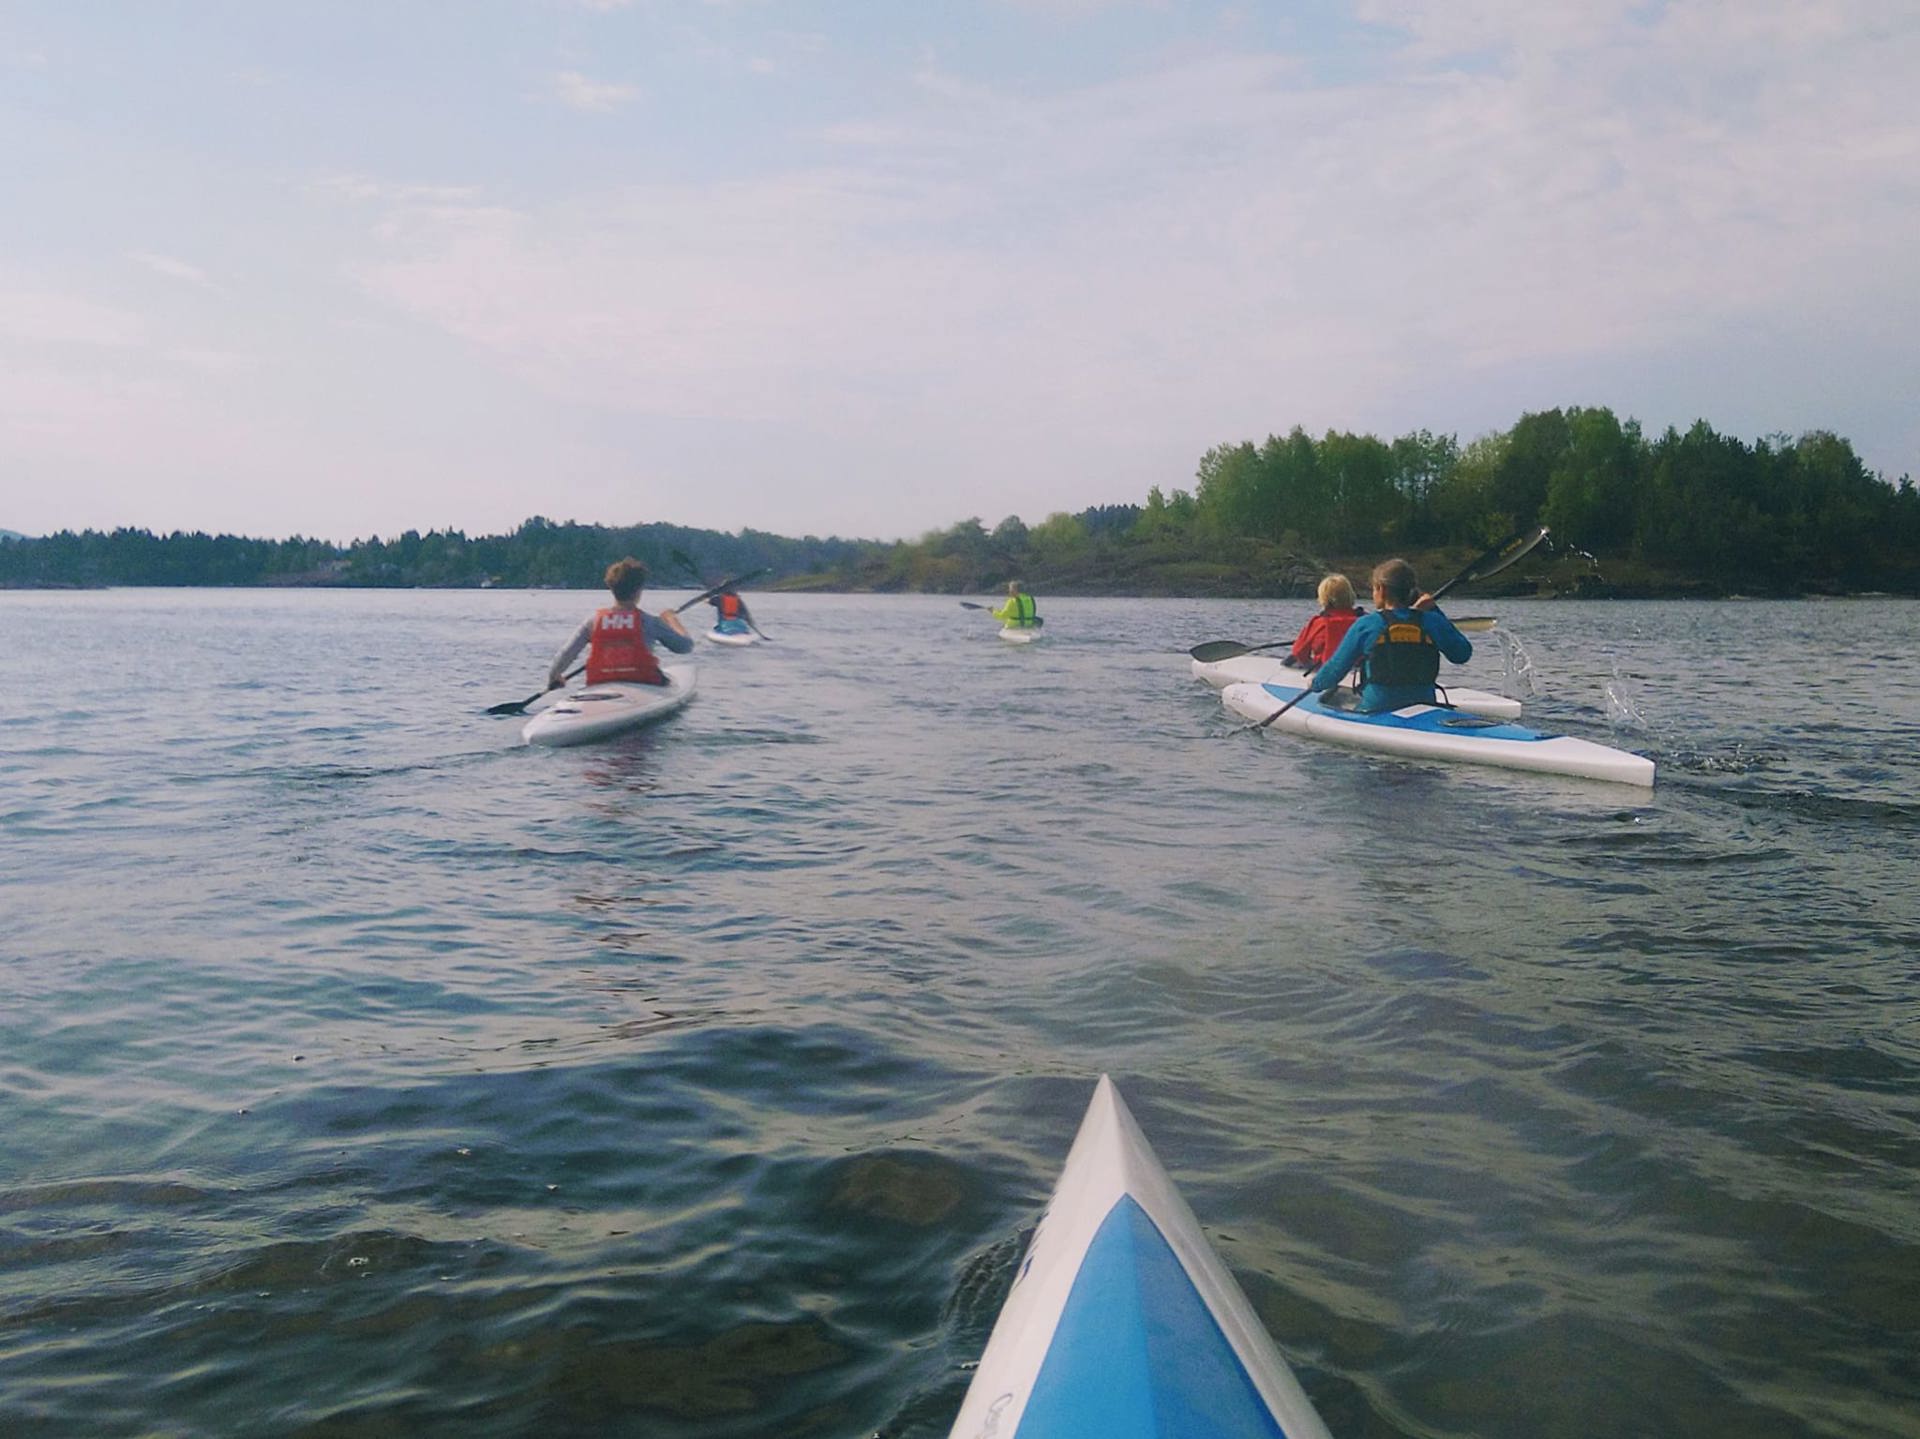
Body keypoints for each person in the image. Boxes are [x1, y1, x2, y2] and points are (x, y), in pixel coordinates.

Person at [1309, 557, 1471, 711]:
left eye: (1374, 588)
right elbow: (1462, 654)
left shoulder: (1366, 625)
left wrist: (1315, 684)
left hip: (1376, 708)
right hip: (1424, 704)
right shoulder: (1432, 621)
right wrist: (1434, 610)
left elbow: (1335, 671)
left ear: (1381, 589)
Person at [547, 557, 692, 689]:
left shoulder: (593, 622)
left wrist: (554, 676)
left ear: (611, 588)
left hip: (601, 683)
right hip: (644, 683)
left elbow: (566, 653)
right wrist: (672, 620)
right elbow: (685, 647)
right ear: (639, 590)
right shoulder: (649, 622)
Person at [1285, 574, 1364, 670]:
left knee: (1288, 662)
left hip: (1325, 672)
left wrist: (1309, 663)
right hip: (1358, 672)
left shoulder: (1319, 622)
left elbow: (1299, 652)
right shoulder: (1365, 620)